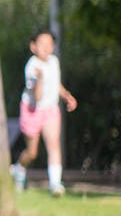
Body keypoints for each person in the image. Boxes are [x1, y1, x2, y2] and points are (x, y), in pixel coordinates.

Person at [11, 30, 77, 196]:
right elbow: (38, 97)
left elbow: (56, 84)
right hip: (32, 110)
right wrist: (40, 78)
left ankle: (55, 184)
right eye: (42, 44)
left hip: (50, 109)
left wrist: (67, 96)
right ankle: (19, 169)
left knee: (53, 145)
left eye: (50, 44)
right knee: (32, 152)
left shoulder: (54, 61)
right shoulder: (32, 67)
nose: (47, 48)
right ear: (33, 46)